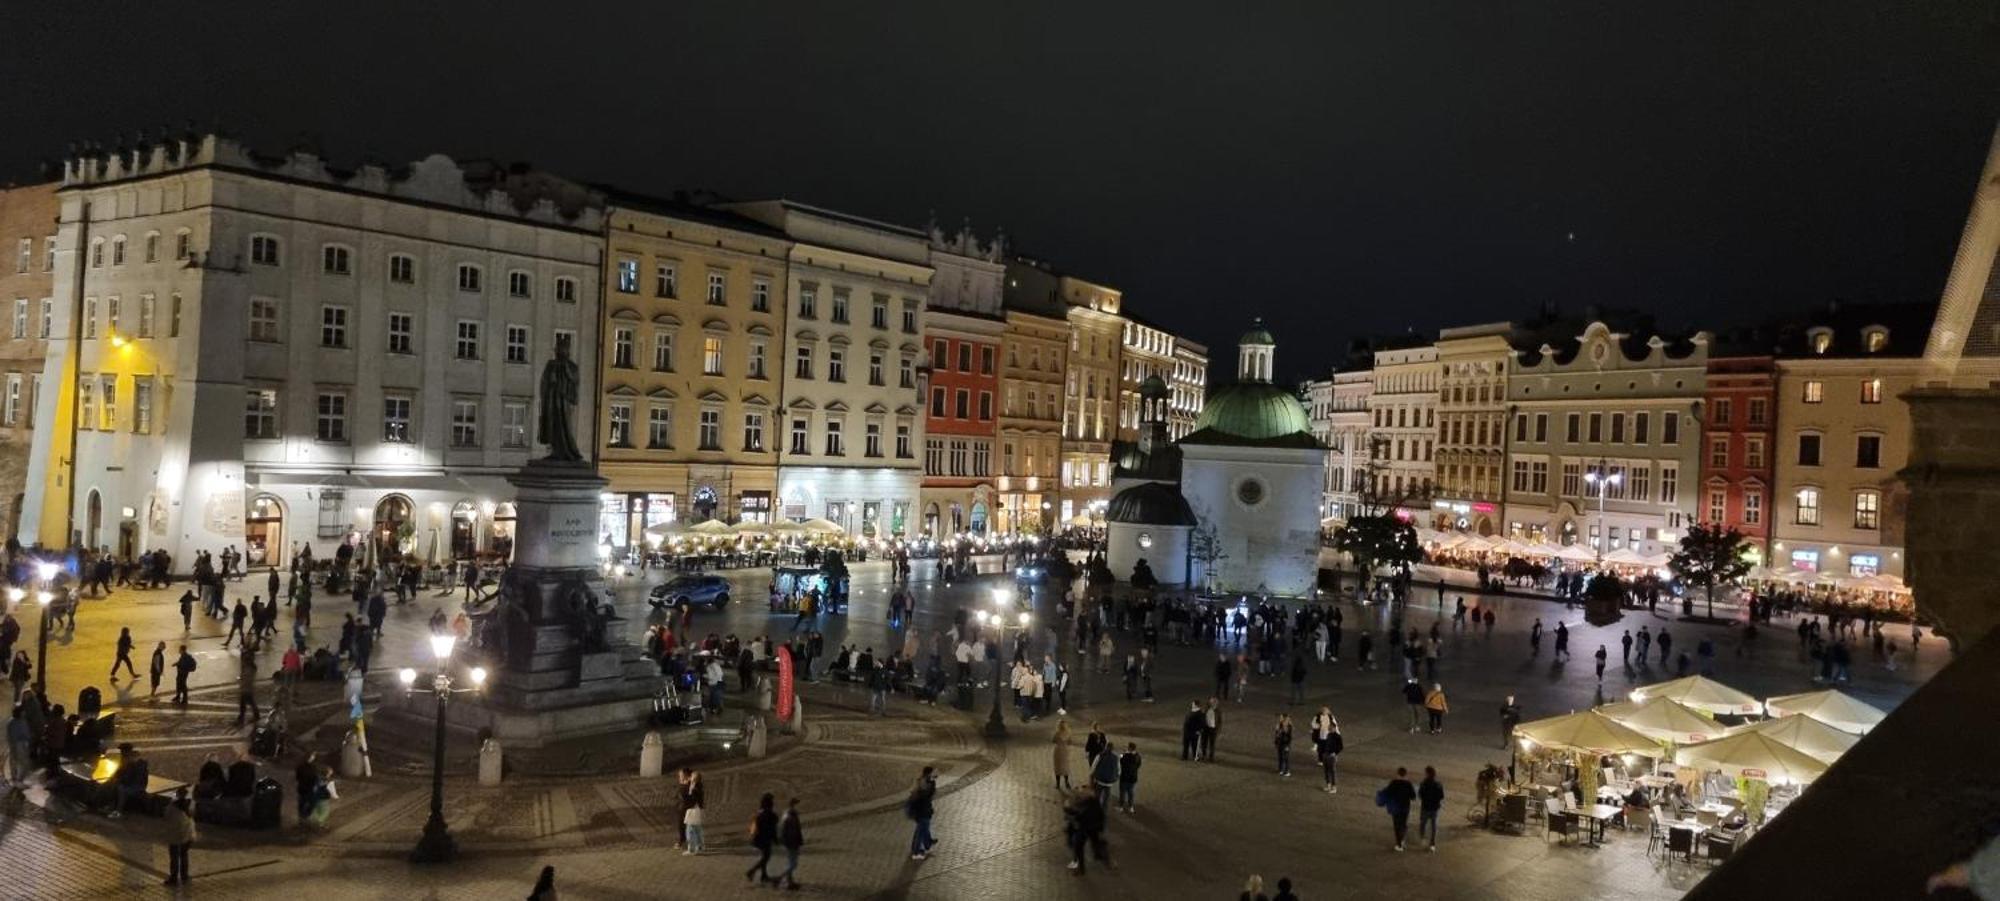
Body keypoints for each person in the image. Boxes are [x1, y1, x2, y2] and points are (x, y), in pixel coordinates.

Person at [1061, 787, 1109, 875]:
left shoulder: (1088, 804)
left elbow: (1080, 816)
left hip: (1086, 829)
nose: (1081, 793)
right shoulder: (1093, 803)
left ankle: (1082, 868)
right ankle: (1101, 858)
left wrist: (1069, 811)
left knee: (1080, 847)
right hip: (1092, 828)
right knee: (1094, 844)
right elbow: (1101, 816)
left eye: (1083, 793)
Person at [1378, 767, 1418, 851]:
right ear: (1406, 774)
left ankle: (1399, 844)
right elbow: (1413, 797)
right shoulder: (1408, 784)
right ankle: (1402, 840)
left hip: (1395, 807)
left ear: (1398, 773)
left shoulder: (1393, 783)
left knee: (1397, 825)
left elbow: (1388, 793)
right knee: (1403, 824)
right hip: (1405, 807)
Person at [163, 787, 196, 886]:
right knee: (184, 855)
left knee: (174, 857)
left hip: (175, 834)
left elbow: (166, 816)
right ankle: (184, 875)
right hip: (188, 834)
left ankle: (173, 878)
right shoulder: (190, 805)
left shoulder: (172, 807)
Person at [745, 792, 779, 884]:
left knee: (765, 856)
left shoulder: (760, 812)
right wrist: (776, 839)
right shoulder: (770, 814)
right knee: (766, 857)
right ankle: (751, 871)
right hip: (765, 839)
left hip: (758, 838)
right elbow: (772, 829)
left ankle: (764, 876)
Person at [906, 767, 938, 860]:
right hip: (922, 810)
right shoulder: (924, 783)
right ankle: (916, 852)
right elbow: (926, 795)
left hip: (923, 809)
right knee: (921, 830)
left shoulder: (924, 781)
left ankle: (927, 844)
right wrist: (932, 783)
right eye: (933, 773)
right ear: (928, 774)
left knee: (924, 828)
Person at [775, 797, 804, 889]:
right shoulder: (792, 817)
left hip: (789, 842)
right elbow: (794, 832)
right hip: (792, 842)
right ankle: (779, 878)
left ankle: (790, 882)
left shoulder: (786, 815)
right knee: (793, 864)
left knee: (790, 862)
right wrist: (797, 842)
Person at [1418, 765, 1445, 850]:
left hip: (1425, 807)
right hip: (1435, 808)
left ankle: (1422, 838)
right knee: (1434, 826)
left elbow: (1420, 795)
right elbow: (1441, 796)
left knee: (1423, 824)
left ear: (1427, 773)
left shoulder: (1423, 784)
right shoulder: (1438, 784)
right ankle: (1432, 844)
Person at [682, 771, 706, 854]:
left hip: (693, 811)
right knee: (698, 829)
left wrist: (690, 791)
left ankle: (691, 849)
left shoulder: (694, 788)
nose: (689, 777)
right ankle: (700, 846)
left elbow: (691, 800)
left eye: (691, 776)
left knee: (690, 830)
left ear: (694, 779)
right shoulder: (698, 786)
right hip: (698, 810)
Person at [1116, 742, 1141, 812]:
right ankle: (1131, 807)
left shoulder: (1125, 756)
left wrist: (1122, 754)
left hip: (1124, 777)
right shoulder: (1138, 756)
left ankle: (1121, 807)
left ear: (1130, 748)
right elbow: (1139, 765)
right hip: (1133, 777)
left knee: (1122, 793)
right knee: (1131, 793)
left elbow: (1121, 761)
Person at [1051, 718, 1074, 791]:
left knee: (1058, 767)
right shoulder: (1068, 732)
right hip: (1065, 751)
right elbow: (1070, 742)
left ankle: (1058, 784)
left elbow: (1053, 740)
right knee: (1065, 767)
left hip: (1058, 751)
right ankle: (1067, 783)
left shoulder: (1057, 733)